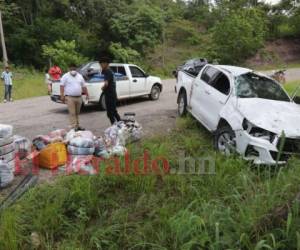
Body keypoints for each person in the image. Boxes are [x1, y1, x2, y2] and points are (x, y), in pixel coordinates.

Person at [60, 64, 89, 131]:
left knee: (77, 113)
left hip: (79, 97)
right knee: (72, 113)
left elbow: (83, 86)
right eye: (71, 69)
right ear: (69, 69)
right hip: (70, 97)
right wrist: (62, 95)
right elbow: (62, 86)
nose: (73, 71)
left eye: (74, 69)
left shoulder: (80, 76)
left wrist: (87, 94)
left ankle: (77, 125)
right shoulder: (65, 76)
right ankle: (73, 127)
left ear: (76, 69)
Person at [100, 57, 121, 125]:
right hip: (113, 94)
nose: (101, 66)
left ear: (106, 63)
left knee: (110, 113)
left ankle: (115, 127)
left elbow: (106, 83)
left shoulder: (107, 71)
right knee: (114, 111)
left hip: (109, 95)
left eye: (102, 64)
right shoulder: (111, 71)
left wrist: (103, 88)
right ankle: (121, 124)